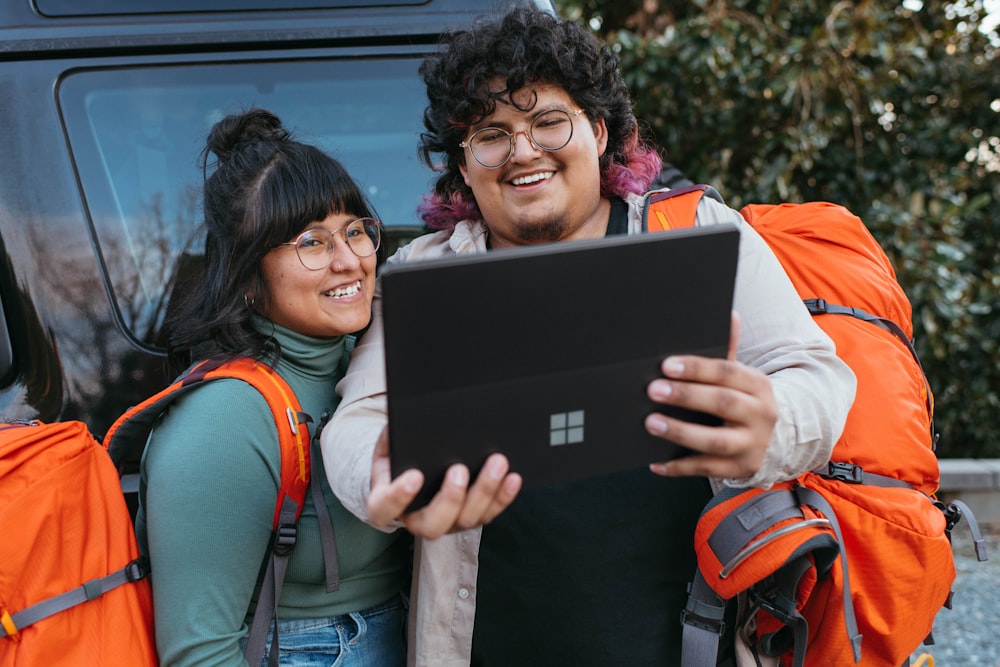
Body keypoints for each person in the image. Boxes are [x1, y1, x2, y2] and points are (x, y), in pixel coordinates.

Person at [322, 8, 857, 666]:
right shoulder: (423, 272)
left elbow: (817, 377)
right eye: (491, 134)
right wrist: (388, 478)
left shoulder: (694, 233)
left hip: (687, 645)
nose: (522, 150)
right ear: (463, 164)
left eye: (548, 121)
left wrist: (768, 426)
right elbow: (358, 421)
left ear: (599, 132)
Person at [135, 108, 411, 666]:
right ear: (246, 277)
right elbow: (200, 652)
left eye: (356, 231)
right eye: (312, 242)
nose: (350, 261)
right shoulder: (225, 420)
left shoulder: (371, 365)